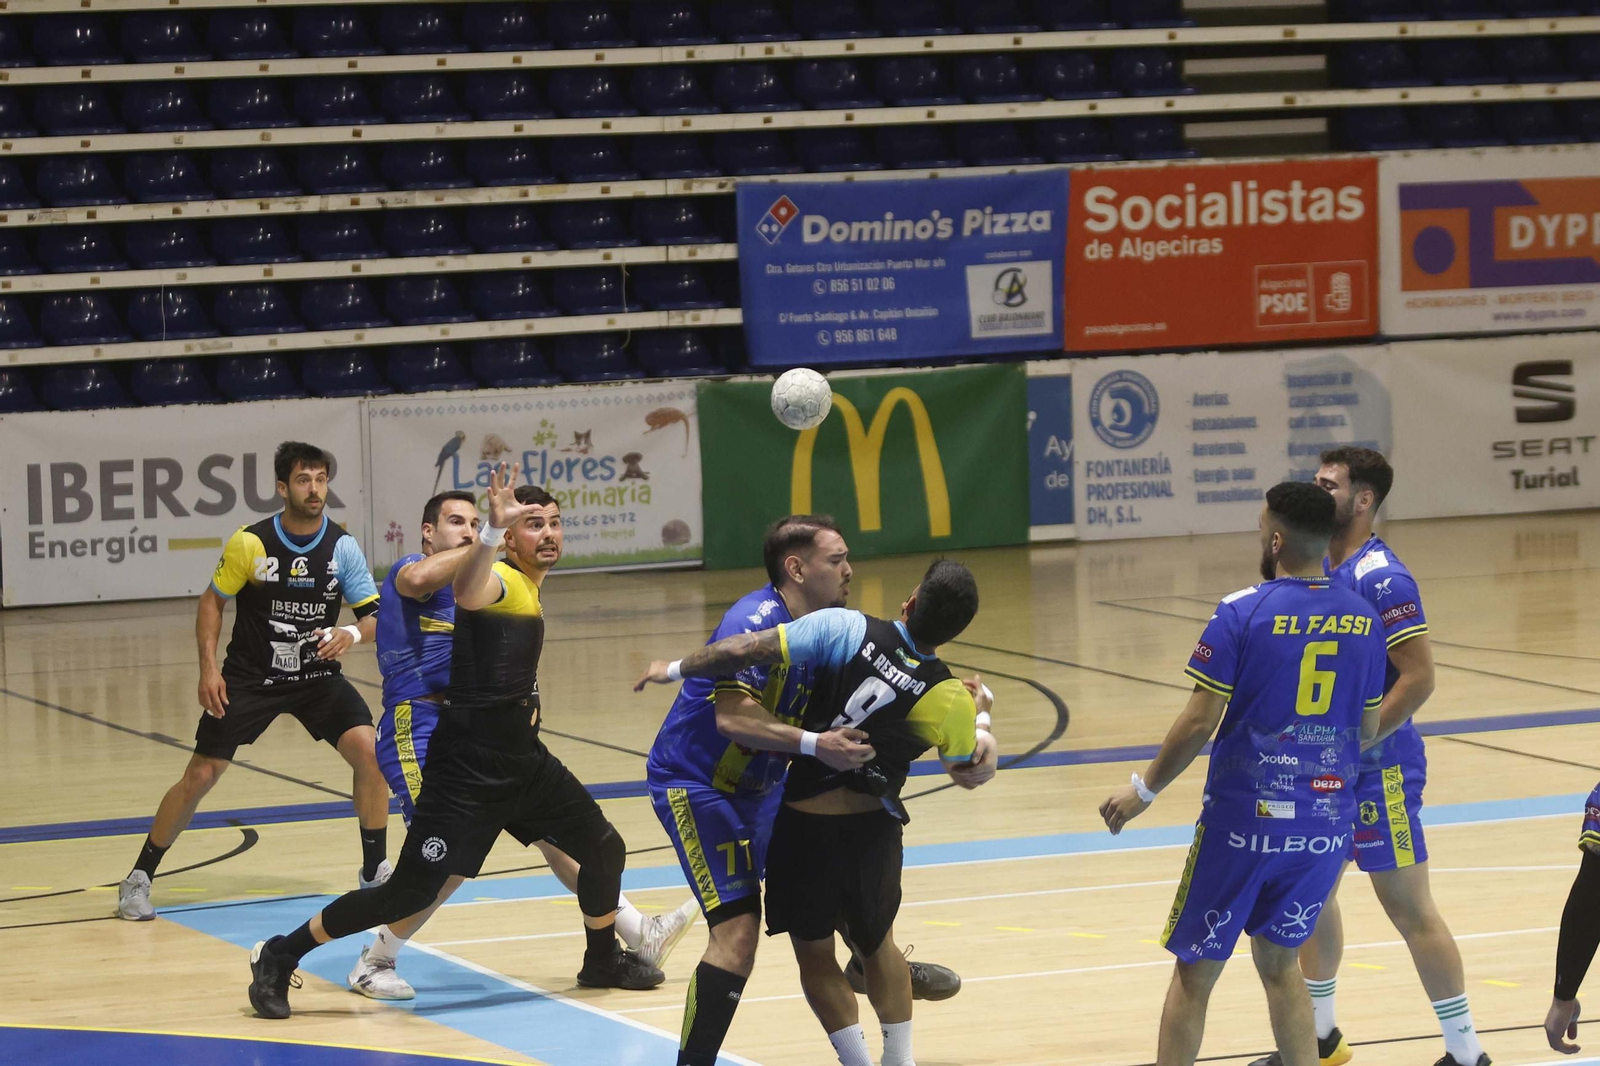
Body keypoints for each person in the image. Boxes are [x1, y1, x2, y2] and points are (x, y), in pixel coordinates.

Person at [246, 464, 661, 1020]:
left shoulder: (524, 587)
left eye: (556, 523)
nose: (550, 534)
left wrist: (354, 629)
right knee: (410, 892)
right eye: (534, 524)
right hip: (465, 767)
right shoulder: (495, 581)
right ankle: (282, 953)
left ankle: (603, 957)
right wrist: (490, 532)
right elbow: (466, 588)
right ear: (511, 538)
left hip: (525, 761)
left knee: (604, 847)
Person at [640, 517, 992, 1066]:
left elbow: (885, 700)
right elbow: (733, 719)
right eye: (837, 560)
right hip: (703, 785)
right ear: (796, 568)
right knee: (738, 935)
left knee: (832, 896)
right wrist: (974, 728)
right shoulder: (758, 619)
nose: (850, 569)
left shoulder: (837, 629)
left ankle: (866, 959)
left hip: (767, 787)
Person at [347, 489, 697, 1000]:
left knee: (556, 838)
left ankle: (635, 929)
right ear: (428, 532)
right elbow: (417, 583)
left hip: (485, 738)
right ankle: (375, 959)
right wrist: (492, 536)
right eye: (456, 523)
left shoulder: (489, 583)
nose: (467, 531)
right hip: (419, 726)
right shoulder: (416, 567)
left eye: (474, 523)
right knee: (446, 859)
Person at [1100, 482, 1386, 1066]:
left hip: (1245, 825)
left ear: (1277, 539)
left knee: (1196, 972)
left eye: (1261, 527)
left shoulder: (1242, 611)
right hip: (1325, 826)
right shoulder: (1364, 617)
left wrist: (1142, 789)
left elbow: (1199, 719)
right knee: (1282, 966)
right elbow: (1369, 725)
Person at [1248, 448, 1487, 1066]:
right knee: (1313, 897)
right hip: (1319, 772)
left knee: (1409, 907)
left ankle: (1466, 1055)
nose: (1315, 490)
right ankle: (1322, 1037)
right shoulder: (1309, 564)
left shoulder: (1382, 577)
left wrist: (1360, 741)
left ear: (1362, 501)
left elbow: (1421, 676)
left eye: (1328, 485)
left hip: (1378, 772)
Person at [118, 441, 388, 921]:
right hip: (251, 676)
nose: (315, 489)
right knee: (201, 776)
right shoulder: (251, 542)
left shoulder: (342, 546)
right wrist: (207, 668)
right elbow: (211, 602)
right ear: (283, 487)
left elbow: (376, 618)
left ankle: (374, 871)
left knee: (370, 753)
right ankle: (138, 878)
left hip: (317, 675)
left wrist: (350, 631)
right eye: (304, 480)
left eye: (321, 479)